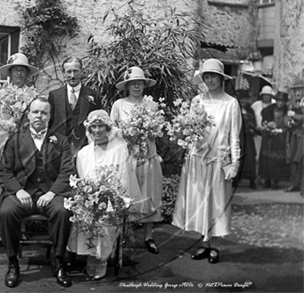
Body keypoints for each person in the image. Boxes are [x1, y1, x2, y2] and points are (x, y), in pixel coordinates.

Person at [0, 97, 75, 288]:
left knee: (63, 211)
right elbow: (4, 170)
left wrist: (53, 193)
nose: (39, 116)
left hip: (51, 193)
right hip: (22, 192)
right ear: (29, 115)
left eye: (44, 113)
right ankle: (13, 263)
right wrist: (19, 191)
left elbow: (67, 171)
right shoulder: (15, 140)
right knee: (7, 212)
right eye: (35, 112)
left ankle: (58, 261)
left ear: (49, 117)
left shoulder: (61, 141)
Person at [172, 58, 242, 264]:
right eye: (207, 76)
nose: (210, 80)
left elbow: (234, 136)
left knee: (217, 203)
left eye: (214, 76)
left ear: (221, 78)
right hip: (197, 159)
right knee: (200, 202)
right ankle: (203, 243)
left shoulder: (231, 103)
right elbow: (190, 131)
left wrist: (234, 163)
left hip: (219, 159)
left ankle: (216, 246)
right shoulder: (197, 101)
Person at [67, 110, 142, 280]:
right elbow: (81, 179)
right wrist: (87, 198)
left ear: (108, 127)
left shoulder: (119, 150)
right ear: (89, 129)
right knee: (84, 215)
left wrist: (109, 197)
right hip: (89, 199)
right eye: (94, 126)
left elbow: (123, 179)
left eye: (101, 125)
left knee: (105, 218)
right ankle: (89, 256)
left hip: (112, 200)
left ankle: (101, 259)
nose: (97, 130)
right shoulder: (83, 153)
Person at [0, 53, 39, 247]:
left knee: (22, 182)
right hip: (2, 142)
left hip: (24, 144)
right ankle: (2, 228)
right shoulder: (1, 93)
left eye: (22, 69)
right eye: (15, 69)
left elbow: (37, 118)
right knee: (1, 182)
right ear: (10, 72)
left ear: (26, 73)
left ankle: (22, 228)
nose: (19, 72)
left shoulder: (33, 94)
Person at [110, 66, 162, 255]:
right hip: (127, 157)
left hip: (147, 156)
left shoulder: (151, 105)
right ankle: (124, 235)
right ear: (128, 86)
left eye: (140, 83)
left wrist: (147, 129)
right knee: (126, 196)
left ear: (144, 85)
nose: (137, 86)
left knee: (148, 195)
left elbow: (157, 131)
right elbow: (111, 130)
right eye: (133, 83)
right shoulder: (119, 105)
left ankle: (148, 237)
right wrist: (127, 132)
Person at [48, 56, 103, 156]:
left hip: (86, 148)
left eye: (76, 71)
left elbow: (100, 122)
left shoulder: (93, 95)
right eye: (68, 72)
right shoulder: (54, 96)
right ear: (64, 73)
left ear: (82, 72)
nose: (72, 75)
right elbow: (49, 123)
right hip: (59, 150)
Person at [259, 92, 288, 189]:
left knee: (277, 161)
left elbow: (288, 125)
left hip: (279, 138)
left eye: (282, 101)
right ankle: (267, 180)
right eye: (279, 101)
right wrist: (267, 126)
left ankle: (275, 181)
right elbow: (264, 119)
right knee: (267, 160)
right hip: (268, 138)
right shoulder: (269, 109)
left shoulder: (286, 111)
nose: (280, 103)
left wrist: (280, 130)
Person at [251, 85, 276, 183]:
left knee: (268, 157)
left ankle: (267, 178)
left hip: (270, 135)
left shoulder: (274, 105)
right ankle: (257, 176)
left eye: (268, 95)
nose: (266, 97)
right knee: (257, 156)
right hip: (258, 133)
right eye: (265, 95)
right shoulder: (256, 104)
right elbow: (251, 116)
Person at [235, 92, 258, 189]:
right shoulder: (235, 110)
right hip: (239, 136)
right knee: (238, 156)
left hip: (248, 137)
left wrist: (251, 127)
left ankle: (251, 180)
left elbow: (254, 123)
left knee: (250, 157)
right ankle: (236, 179)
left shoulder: (250, 110)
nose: (244, 102)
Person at [284, 84, 304, 192]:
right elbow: (286, 116)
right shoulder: (292, 102)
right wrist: (288, 121)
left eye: (300, 88)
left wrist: (295, 116)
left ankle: (301, 185)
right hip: (294, 134)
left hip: (302, 134)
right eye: (296, 89)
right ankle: (295, 183)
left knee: (300, 159)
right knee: (293, 159)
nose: (298, 91)